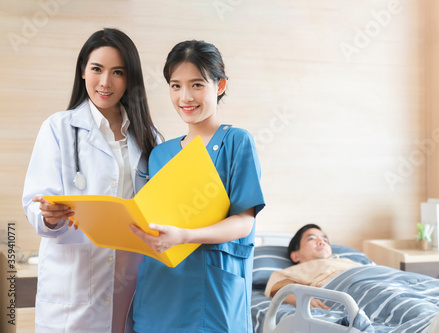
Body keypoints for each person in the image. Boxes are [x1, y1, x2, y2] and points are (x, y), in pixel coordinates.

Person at [22, 28, 161, 333]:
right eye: (97, 69)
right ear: (83, 70)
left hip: (131, 280)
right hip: (74, 284)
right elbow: (36, 200)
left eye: (118, 72)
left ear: (130, 79)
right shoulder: (58, 128)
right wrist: (49, 216)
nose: (105, 82)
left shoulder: (149, 138)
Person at [129, 40, 265, 333]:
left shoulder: (236, 142)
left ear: (219, 86)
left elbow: (243, 222)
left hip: (212, 293)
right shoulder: (159, 154)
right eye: (175, 86)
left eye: (197, 85)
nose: (185, 97)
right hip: (159, 292)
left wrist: (185, 236)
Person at [264, 224, 361, 309]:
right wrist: (300, 298)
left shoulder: (346, 261)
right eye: (312, 238)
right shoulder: (292, 272)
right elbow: (279, 289)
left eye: (325, 240)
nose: (321, 242)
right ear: (295, 256)